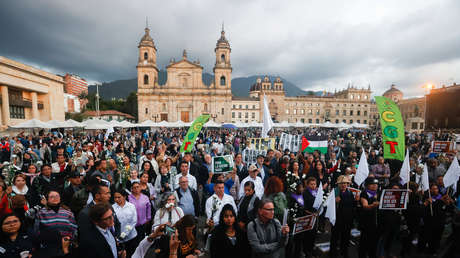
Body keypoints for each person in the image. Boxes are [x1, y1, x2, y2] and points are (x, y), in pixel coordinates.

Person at [330, 175, 355, 258]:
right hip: (337, 219)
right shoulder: (334, 192)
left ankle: (344, 251)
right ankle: (333, 253)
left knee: (346, 237)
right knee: (335, 237)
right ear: (338, 184)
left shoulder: (350, 192)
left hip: (347, 219)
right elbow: (328, 206)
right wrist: (334, 201)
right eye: (342, 183)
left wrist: (357, 201)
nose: (344, 185)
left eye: (345, 183)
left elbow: (352, 206)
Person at [358, 177, 380, 258]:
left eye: (376, 184)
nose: (375, 186)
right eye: (372, 184)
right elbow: (365, 206)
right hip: (366, 222)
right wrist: (373, 205)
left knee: (374, 241)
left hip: (376, 221)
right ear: (367, 185)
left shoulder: (378, 193)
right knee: (364, 241)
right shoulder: (364, 193)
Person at [113, 188, 138, 258]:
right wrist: (118, 237)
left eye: (119, 197)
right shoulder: (112, 208)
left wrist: (124, 234)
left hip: (131, 237)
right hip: (118, 239)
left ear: (124, 197)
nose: (117, 199)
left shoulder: (131, 206)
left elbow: (133, 222)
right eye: (115, 197)